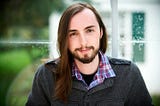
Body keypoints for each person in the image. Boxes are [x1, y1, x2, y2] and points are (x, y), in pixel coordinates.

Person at [26, 2, 153, 106]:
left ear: (101, 32)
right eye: (73, 34)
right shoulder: (46, 75)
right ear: (65, 39)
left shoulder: (129, 74)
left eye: (89, 30)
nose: (83, 42)